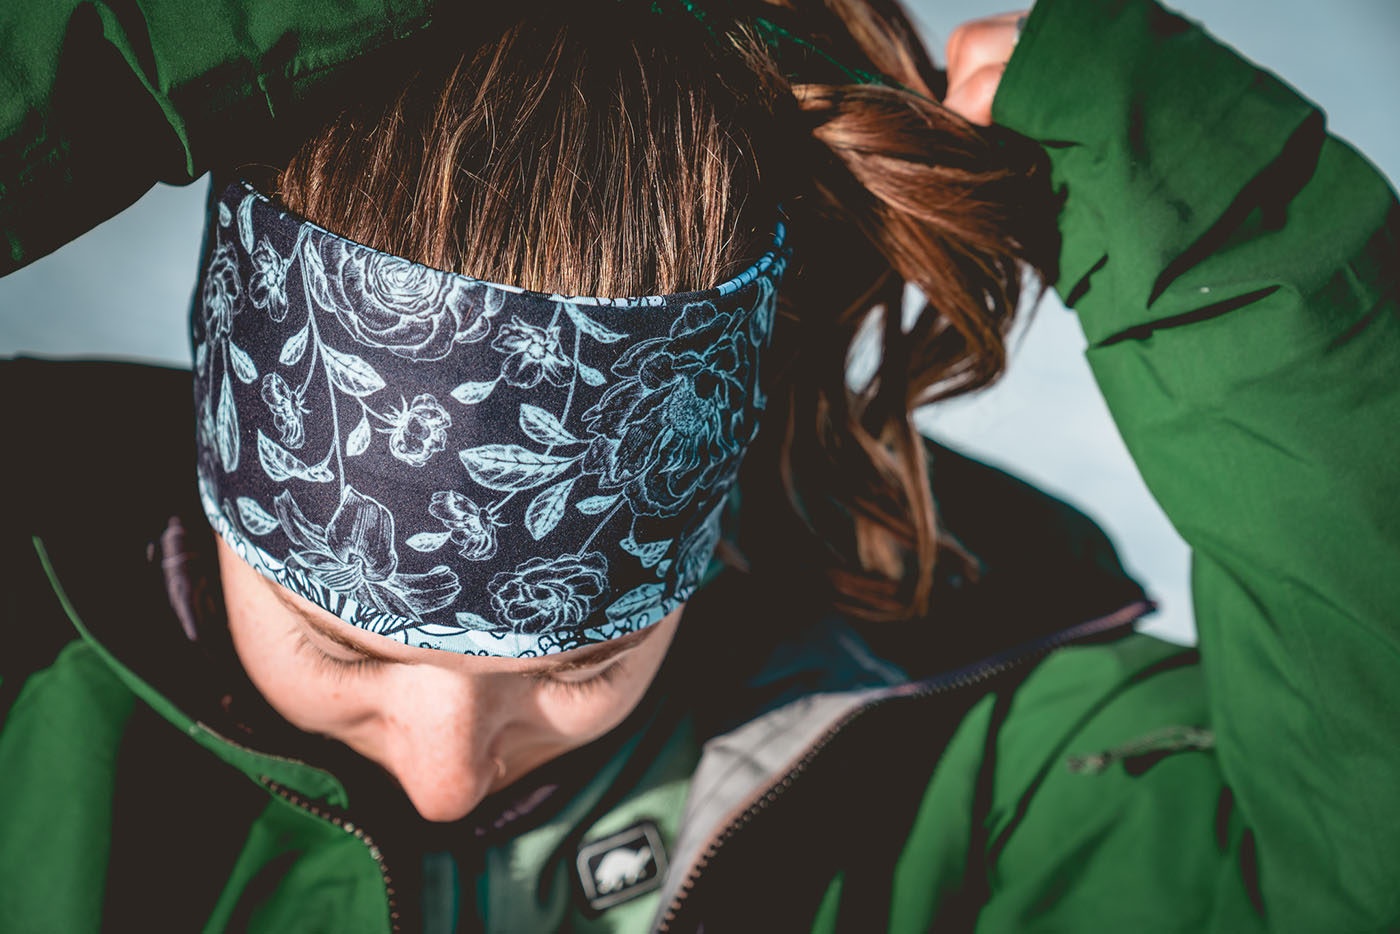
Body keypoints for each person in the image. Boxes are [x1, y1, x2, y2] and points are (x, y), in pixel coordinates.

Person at [2, 1, 1397, 933]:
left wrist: (1239, 253)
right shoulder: (33, 663)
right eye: (340, 646)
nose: (444, 778)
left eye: (578, 662)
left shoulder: (951, 773)